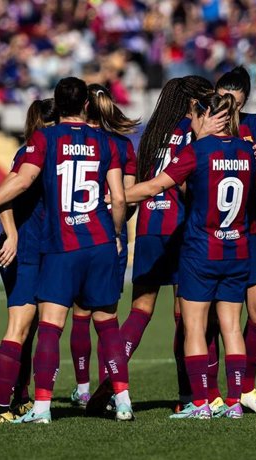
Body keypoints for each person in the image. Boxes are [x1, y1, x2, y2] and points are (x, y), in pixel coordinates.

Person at [0, 77, 133, 423]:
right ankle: (119, 403)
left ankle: (34, 404)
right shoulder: (100, 143)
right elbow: (120, 198)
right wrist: (115, 232)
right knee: (86, 324)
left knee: (45, 327)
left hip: (58, 246)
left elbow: (18, 184)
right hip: (73, 244)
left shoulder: (46, 142)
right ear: (85, 106)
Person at [124, 92, 256, 419]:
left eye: (193, 117)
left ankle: (200, 403)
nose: (190, 123)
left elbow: (152, 188)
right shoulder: (248, 152)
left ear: (207, 116)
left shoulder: (196, 151)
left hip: (200, 251)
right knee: (232, 327)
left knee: (193, 328)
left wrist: (110, 198)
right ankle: (234, 403)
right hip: (237, 249)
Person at [86, 75, 225, 414]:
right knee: (187, 317)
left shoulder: (152, 133)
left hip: (149, 226)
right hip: (180, 228)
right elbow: (183, 182)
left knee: (140, 311)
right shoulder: (192, 129)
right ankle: (189, 395)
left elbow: (139, 186)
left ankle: (111, 380)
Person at [69, 83, 139, 409]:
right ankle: (110, 393)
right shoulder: (123, 146)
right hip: (111, 234)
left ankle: (83, 388)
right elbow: (127, 197)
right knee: (108, 317)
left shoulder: (74, 140)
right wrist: (116, 229)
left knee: (80, 315)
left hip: (76, 233)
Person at [0, 98, 57, 423]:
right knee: (19, 325)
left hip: (47, 249)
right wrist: (12, 234)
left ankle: (22, 397)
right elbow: (7, 193)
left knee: (34, 327)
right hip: (24, 248)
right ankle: (0, 407)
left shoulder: (59, 153)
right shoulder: (30, 152)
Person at [211, 65, 256, 415]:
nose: (227, 110)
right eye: (222, 101)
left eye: (234, 104)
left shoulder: (254, 126)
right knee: (210, 319)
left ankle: (247, 387)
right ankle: (211, 392)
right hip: (213, 234)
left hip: (249, 231)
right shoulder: (205, 124)